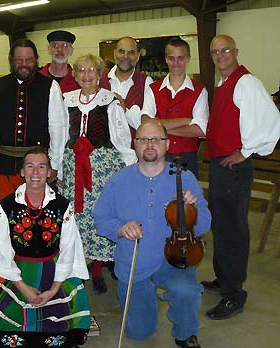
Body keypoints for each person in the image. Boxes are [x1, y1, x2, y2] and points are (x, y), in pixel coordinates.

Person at [92, 119, 211, 348]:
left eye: (156, 139)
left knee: (186, 290)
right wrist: (121, 228)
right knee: (139, 333)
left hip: (174, 259)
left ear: (167, 144)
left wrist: (193, 210)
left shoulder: (184, 178)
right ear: (134, 144)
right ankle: (146, 305)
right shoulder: (119, 180)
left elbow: (205, 224)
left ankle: (185, 332)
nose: (149, 144)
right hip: (134, 264)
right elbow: (101, 220)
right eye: (143, 139)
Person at [0, 149, 90, 348]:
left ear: (49, 172)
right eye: (30, 166)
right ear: (22, 172)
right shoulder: (5, 207)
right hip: (15, 270)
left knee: (75, 294)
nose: (36, 172)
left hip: (53, 268)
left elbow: (69, 249)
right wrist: (23, 287)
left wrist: (54, 289)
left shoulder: (62, 206)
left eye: (42, 166)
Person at [202, 34, 280, 320]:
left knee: (234, 230)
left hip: (234, 169)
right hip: (221, 166)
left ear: (235, 51)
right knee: (221, 226)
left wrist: (246, 152)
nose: (220, 55)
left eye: (225, 50)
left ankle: (234, 294)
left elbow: (272, 121)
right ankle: (224, 279)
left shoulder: (246, 83)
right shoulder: (224, 84)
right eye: (215, 52)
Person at [61, 54, 136, 294]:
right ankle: (79, 267)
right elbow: (61, 134)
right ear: (74, 74)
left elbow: (121, 137)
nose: (86, 75)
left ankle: (97, 270)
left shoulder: (109, 101)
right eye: (81, 70)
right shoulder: (67, 101)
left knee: (100, 215)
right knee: (76, 217)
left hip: (102, 167)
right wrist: (59, 166)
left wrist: (128, 170)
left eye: (91, 70)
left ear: (100, 73)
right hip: (74, 167)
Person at [0, 38, 67, 203]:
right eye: (19, 60)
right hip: (4, 166)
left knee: (37, 215)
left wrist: (55, 164)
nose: (24, 64)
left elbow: (58, 129)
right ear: (11, 60)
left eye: (29, 60)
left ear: (36, 60)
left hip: (38, 168)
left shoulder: (50, 87)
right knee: (5, 215)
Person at [141, 38, 209, 178]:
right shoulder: (152, 89)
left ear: (188, 59)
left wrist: (160, 127)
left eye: (180, 58)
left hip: (187, 159)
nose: (176, 63)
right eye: (171, 58)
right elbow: (146, 123)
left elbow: (200, 129)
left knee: (186, 198)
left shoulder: (200, 90)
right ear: (166, 59)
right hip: (156, 155)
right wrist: (186, 120)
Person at [99, 36, 153, 146]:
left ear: (137, 56)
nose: (125, 56)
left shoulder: (147, 82)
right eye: (121, 51)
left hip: (134, 154)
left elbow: (148, 126)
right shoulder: (99, 78)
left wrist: (125, 111)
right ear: (114, 54)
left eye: (131, 52)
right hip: (102, 152)